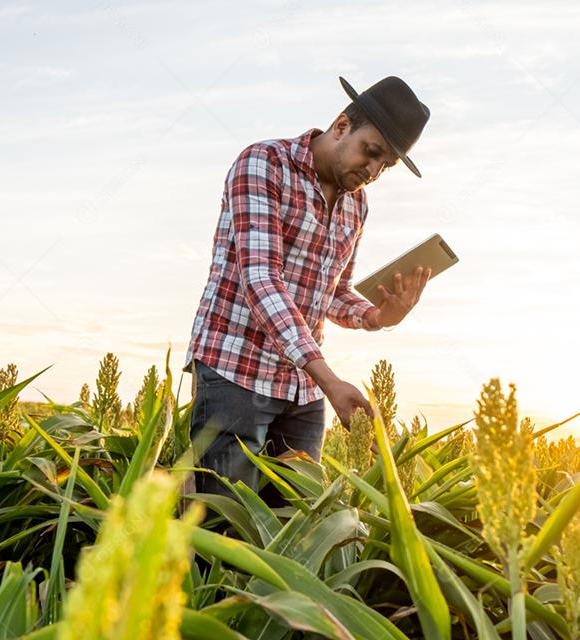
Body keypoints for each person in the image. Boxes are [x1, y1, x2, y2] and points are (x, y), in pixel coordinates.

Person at [183, 75, 433, 496]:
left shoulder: (357, 203)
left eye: (384, 165)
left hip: (301, 387)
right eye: (370, 152)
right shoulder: (264, 163)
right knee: (225, 525)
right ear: (340, 126)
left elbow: (332, 291)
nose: (371, 171)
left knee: (295, 526)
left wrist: (376, 316)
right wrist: (330, 380)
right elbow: (261, 278)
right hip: (235, 371)